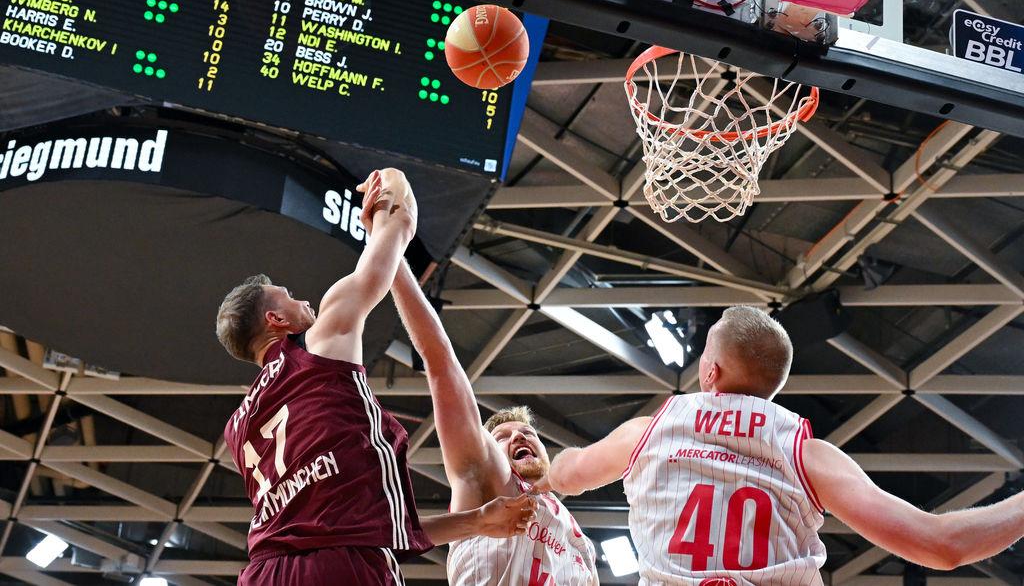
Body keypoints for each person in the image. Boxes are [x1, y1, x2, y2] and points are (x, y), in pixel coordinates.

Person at [538, 305, 1024, 585]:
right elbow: (942, 545)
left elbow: (568, 473)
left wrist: (543, 466)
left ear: (710, 374)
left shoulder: (651, 429)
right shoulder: (806, 452)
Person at [216, 169, 536, 585]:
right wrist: (393, 183)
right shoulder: (321, 338)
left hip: (263, 573)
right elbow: (401, 224)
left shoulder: (238, 428)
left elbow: (350, 525)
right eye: (289, 296)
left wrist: (475, 521)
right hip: (340, 567)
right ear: (276, 320)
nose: (304, 299)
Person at [389, 249, 600, 585]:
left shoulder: (581, 543)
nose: (520, 436)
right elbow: (441, 362)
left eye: (529, 433)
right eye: (503, 437)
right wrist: (391, 249)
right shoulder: (490, 476)